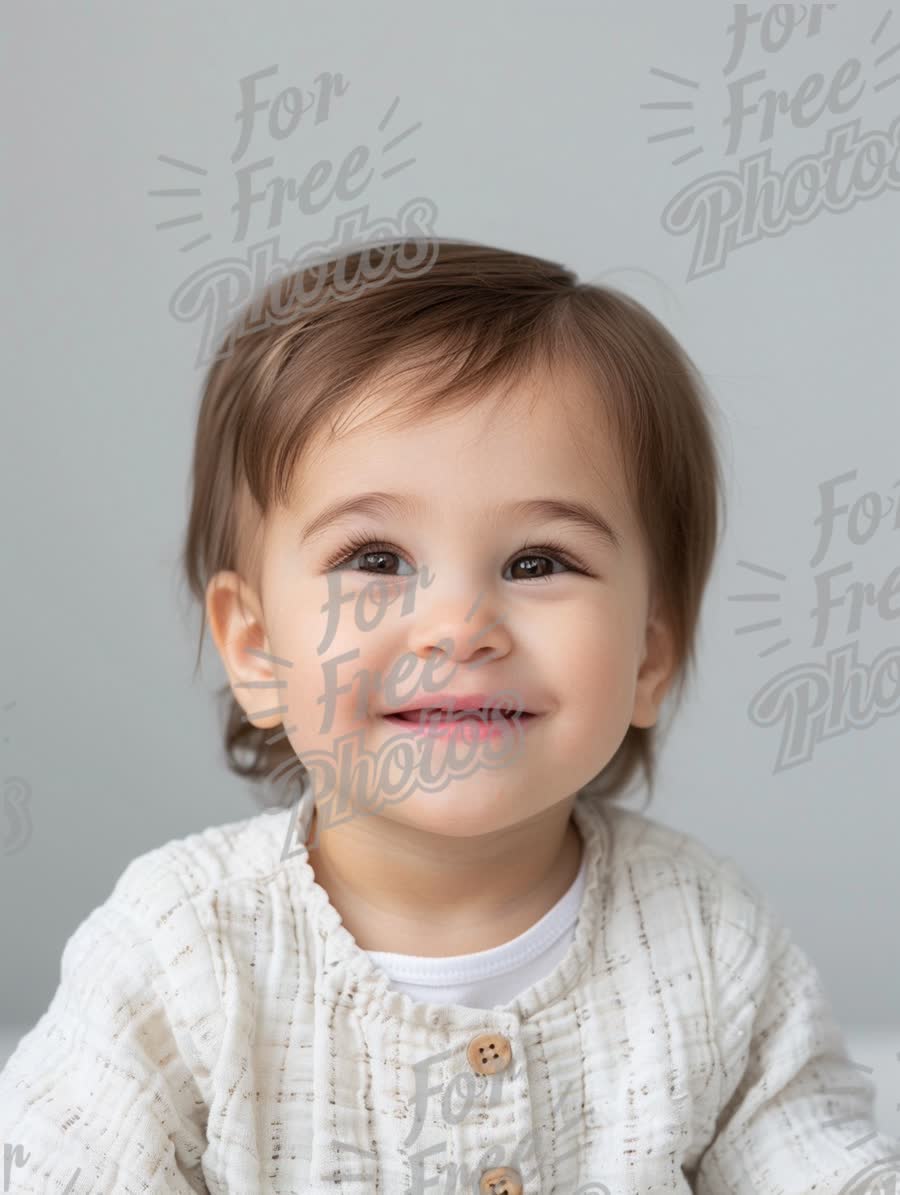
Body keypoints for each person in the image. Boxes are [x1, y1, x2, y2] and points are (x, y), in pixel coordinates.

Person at [2, 240, 897, 1193]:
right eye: (377, 558)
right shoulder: (181, 952)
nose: (461, 628)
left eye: (538, 562)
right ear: (257, 647)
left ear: (649, 652)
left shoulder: (710, 942)